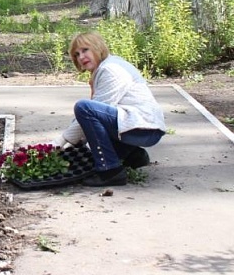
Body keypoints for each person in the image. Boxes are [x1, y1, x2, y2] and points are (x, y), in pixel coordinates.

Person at [53, 31, 166, 187]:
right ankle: (133, 155)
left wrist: (60, 142)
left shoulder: (110, 70)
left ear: (97, 47)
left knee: (83, 107)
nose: (81, 57)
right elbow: (96, 114)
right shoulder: (107, 66)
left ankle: (110, 171)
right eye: (76, 54)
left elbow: (90, 112)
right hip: (143, 127)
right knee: (88, 110)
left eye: (85, 50)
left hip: (143, 127)